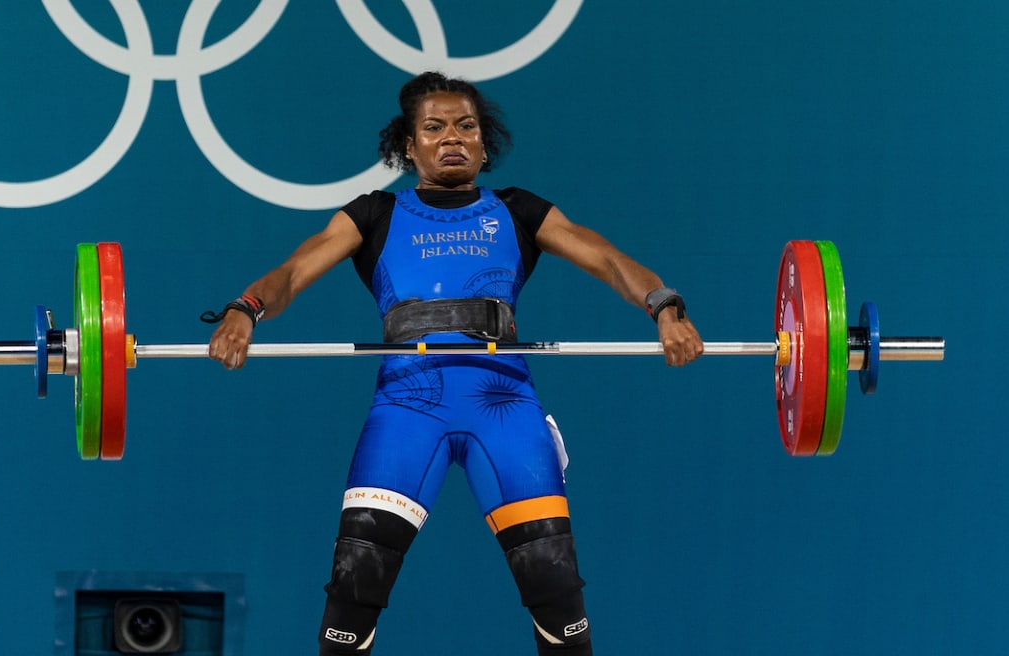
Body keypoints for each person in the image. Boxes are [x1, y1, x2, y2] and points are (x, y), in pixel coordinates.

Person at [206, 71, 703, 656]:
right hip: (407, 406)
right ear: (408, 146)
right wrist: (246, 308)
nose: (452, 138)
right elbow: (292, 272)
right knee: (354, 588)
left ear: (484, 144)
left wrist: (664, 305)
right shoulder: (374, 214)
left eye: (466, 126)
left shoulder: (520, 212)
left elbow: (610, 261)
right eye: (434, 127)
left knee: (555, 585)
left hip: (506, 406)